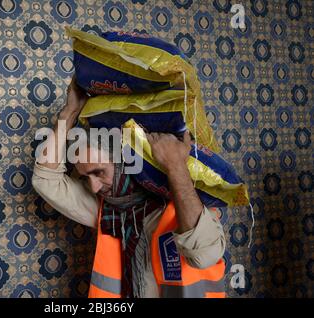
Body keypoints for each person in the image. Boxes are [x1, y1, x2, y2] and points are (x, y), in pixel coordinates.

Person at [32, 78, 226, 298]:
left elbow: (203, 255)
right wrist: (69, 113)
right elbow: (46, 180)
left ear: (127, 160)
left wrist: (175, 166)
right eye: (86, 178)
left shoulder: (183, 205)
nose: (94, 188)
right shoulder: (107, 209)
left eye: (98, 172)